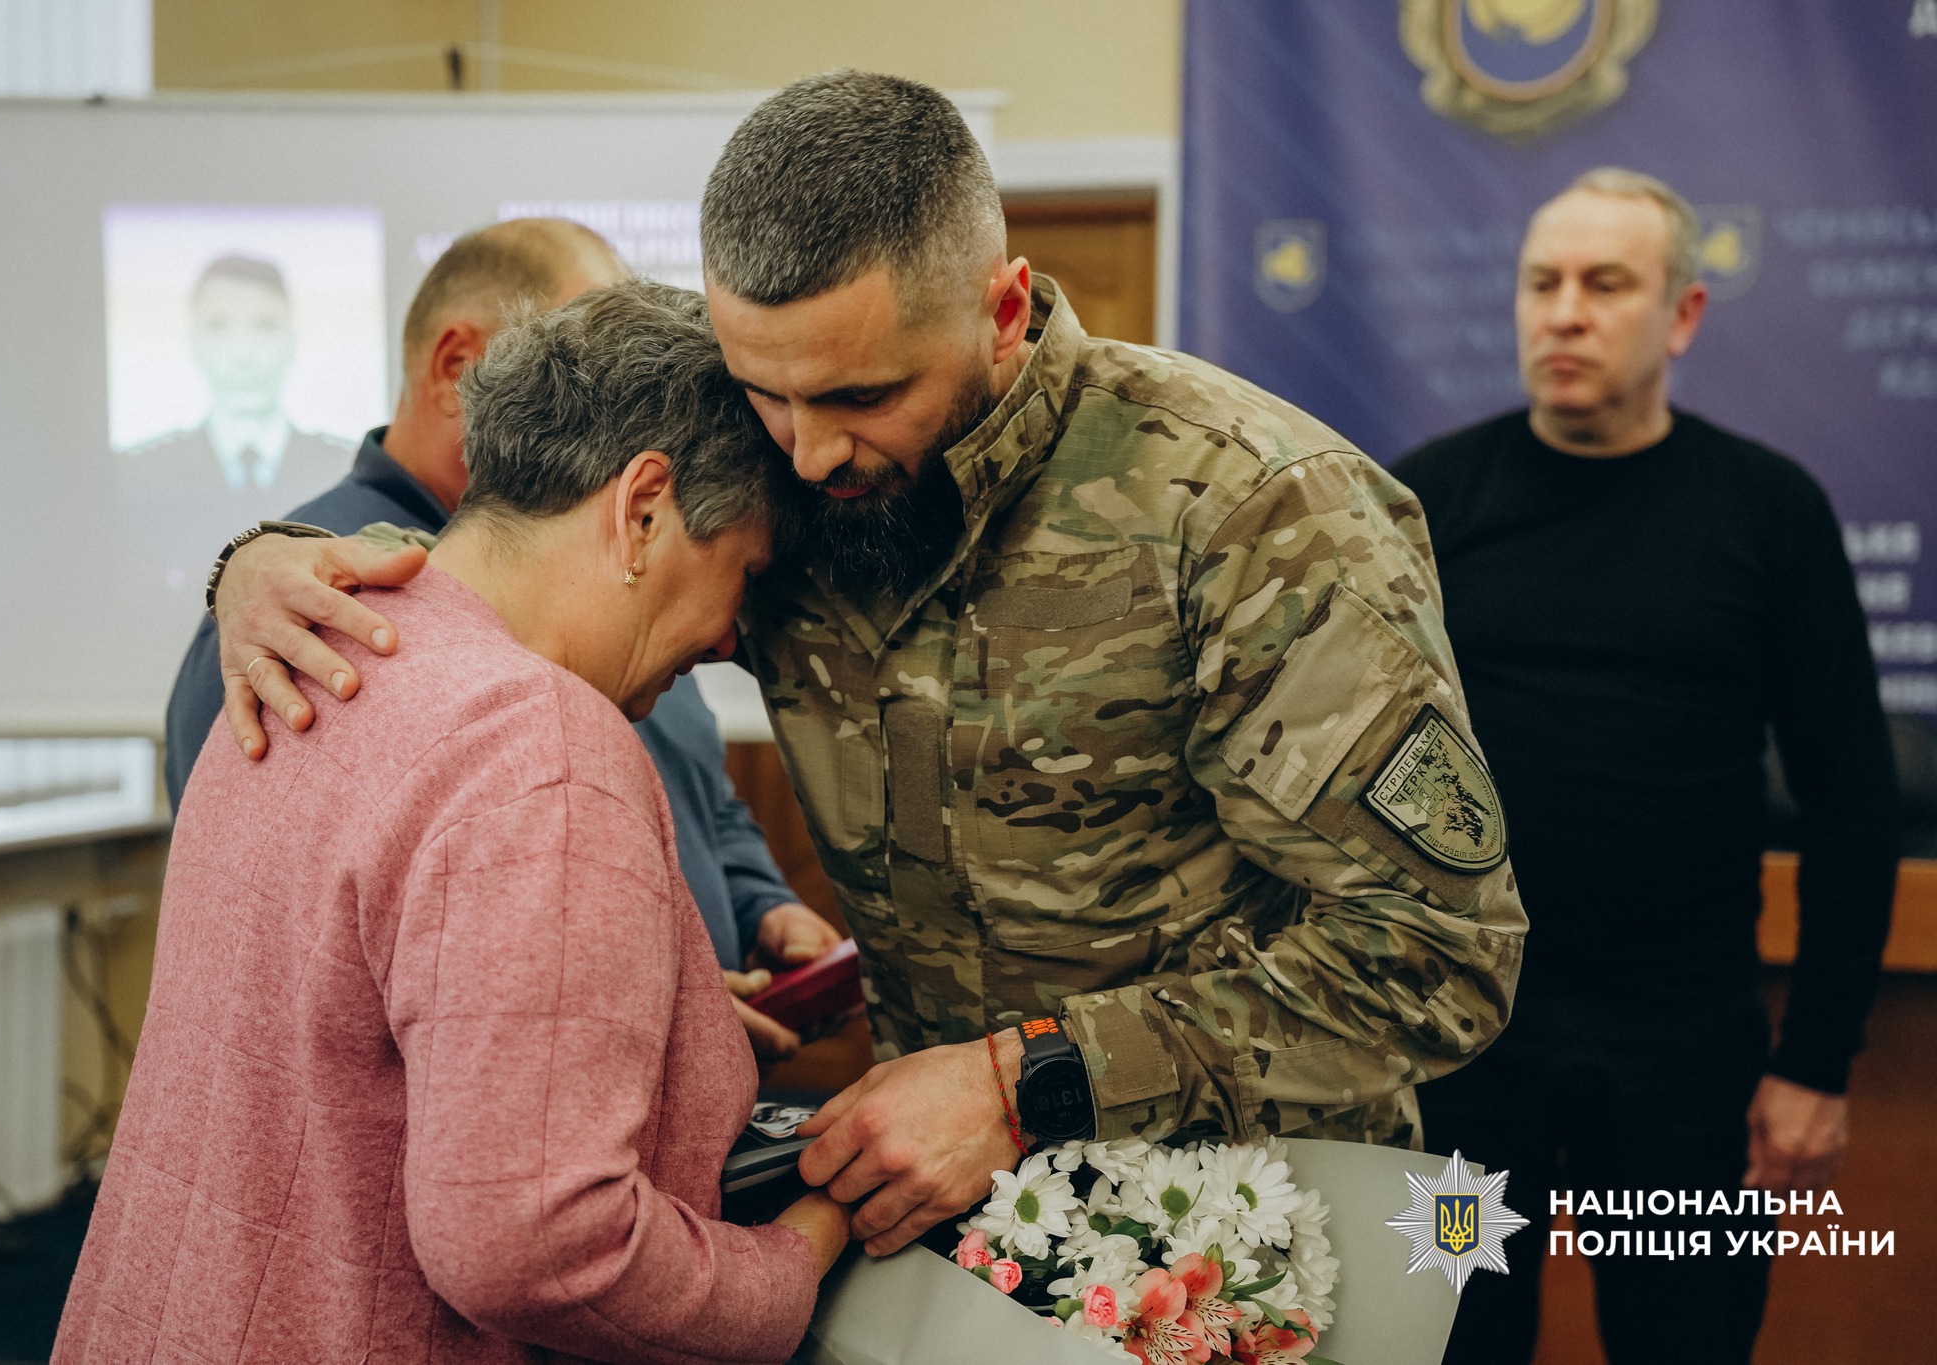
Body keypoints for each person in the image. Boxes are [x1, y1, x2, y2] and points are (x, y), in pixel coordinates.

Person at [207, 71, 1528, 1259]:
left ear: (1005, 310)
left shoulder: (1258, 513)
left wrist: (1025, 1086)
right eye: (763, 394)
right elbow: (538, 518)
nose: (806, 451)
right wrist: (270, 563)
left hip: (1251, 1228)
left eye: (857, 400)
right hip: (943, 1222)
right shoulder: (791, 446)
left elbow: (1439, 958)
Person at [55, 282, 849, 1365]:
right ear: (644, 507)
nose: (727, 641)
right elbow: (537, 1246)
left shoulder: (316, 644)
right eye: (742, 574)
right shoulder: (544, 745)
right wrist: (791, 1264)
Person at [1392, 169, 1900, 1365]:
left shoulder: (1767, 512)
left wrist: (1815, 1062)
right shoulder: (1422, 501)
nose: (1563, 312)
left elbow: (1849, 796)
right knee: (1453, 1344)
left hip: (1681, 1059)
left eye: (1603, 284)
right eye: (1541, 283)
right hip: (1464, 1056)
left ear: (1680, 315)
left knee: (1684, 1343)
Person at [161, 220, 841, 1060]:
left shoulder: (635, 590)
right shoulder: (305, 608)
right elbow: (269, 955)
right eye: (575, 347)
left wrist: (754, 903)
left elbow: (700, 790)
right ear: (461, 367)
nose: (606, 380)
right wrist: (609, 1014)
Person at [126, 254, 355, 496]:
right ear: (194, 344)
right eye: (218, 327)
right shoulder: (139, 472)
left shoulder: (350, 473)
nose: (242, 355)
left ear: (293, 341)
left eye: (265, 326)